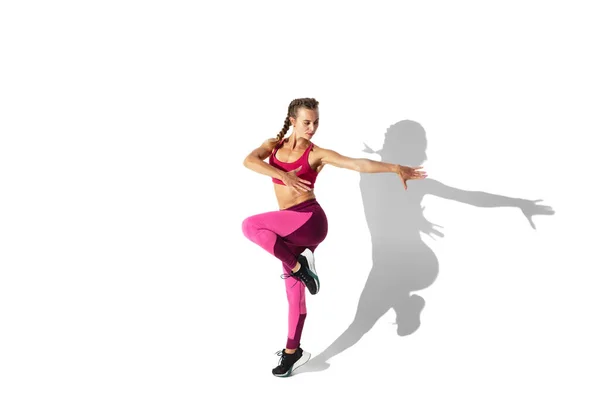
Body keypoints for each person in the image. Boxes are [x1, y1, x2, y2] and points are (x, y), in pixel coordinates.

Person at [241, 98, 427, 377]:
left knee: (250, 226)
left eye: (316, 122)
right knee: (295, 298)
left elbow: (357, 164)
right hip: (288, 234)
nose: (312, 127)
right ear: (292, 121)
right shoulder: (273, 146)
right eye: (306, 122)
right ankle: (293, 352)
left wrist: (395, 168)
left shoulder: (316, 154)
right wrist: (284, 176)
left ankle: (299, 266)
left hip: (309, 220)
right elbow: (249, 161)